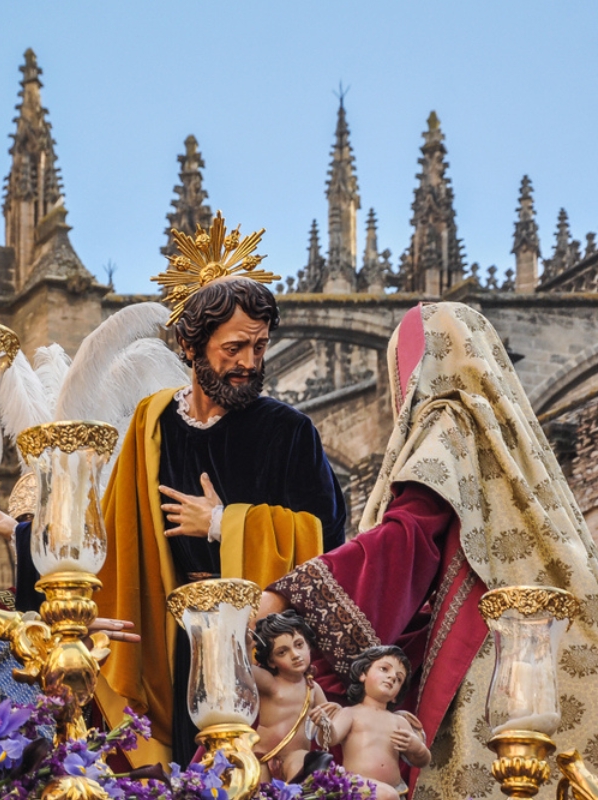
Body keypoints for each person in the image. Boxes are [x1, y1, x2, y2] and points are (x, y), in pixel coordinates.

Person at [261, 302, 598, 800]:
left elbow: (410, 536)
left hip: (487, 651)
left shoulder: (445, 419)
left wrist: (292, 595)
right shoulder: (499, 435)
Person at [96, 216, 348, 766]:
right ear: (190, 345)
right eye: (234, 348)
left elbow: (327, 540)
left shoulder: (288, 431)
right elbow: (113, 527)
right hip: (171, 639)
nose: (250, 364)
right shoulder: (153, 421)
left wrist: (223, 523)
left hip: (259, 643)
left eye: (259, 347)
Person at [311, 646, 430, 800]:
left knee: (389, 794)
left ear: (396, 696)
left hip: (396, 791)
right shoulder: (351, 713)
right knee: (387, 795)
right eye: (384, 669)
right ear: (363, 674)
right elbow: (330, 739)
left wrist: (417, 748)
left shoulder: (399, 721)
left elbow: (422, 761)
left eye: (399, 679)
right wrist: (324, 723)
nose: (392, 677)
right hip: (357, 788)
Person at [252, 610, 327, 782]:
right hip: (262, 756)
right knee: (256, 786)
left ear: (309, 645)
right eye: (282, 652)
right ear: (271, 661)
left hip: (295, 757)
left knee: (301, 766)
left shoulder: (313, 689)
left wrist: (325, 721)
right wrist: (247, 645)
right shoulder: (270, 683)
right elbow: (243, 668)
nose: (295, 655)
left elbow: (329, 732)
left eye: (299, 645)